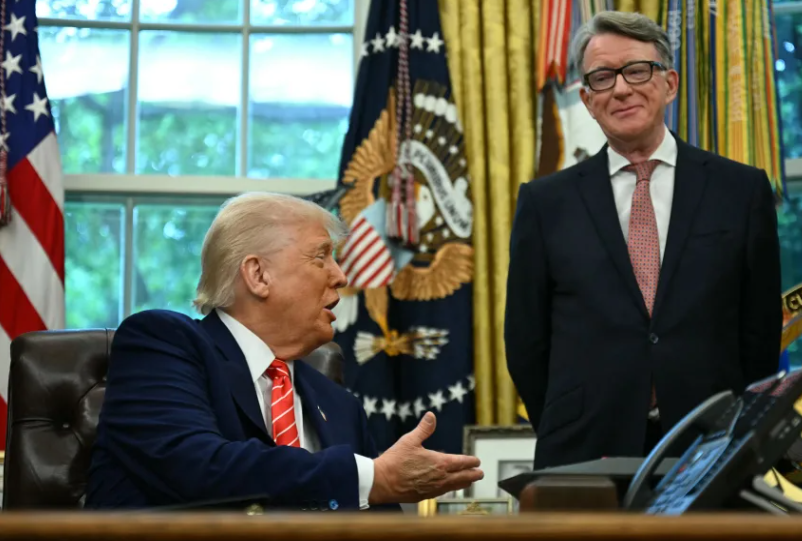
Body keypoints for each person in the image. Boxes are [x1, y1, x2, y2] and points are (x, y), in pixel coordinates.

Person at [505, 11, 782, 470]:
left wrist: (738, 426)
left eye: (637, 70)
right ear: (588, 99)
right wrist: (567, 419)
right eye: (602, 77)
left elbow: (759, 331)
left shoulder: (741, 190)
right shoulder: (544, 202)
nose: (621, 88)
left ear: (669, 83)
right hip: (584, 447)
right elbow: (525, 340)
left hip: (711, 446)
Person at [85, 192, 483, 510]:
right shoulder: (161, 343)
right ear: (258, 275)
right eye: (321, 256)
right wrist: (371, 478)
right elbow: (197, 467)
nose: (341, 276)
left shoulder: (339, 405)